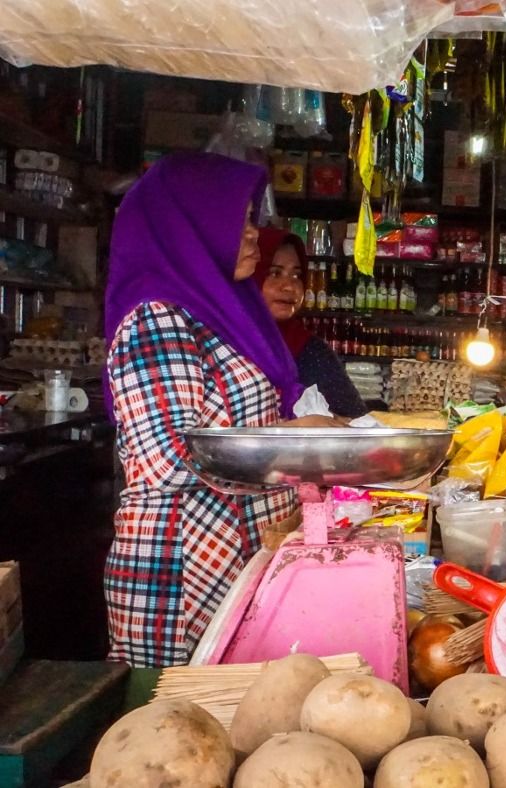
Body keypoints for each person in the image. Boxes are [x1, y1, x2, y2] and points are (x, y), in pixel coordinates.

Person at [104, 152, 333, 667]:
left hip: (236, 550)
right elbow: (171, 457)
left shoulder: (220, 315)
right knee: (175, 731)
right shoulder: (156, 320)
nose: (254, 234)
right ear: (192, 225)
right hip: (182, 571)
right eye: (242, 220)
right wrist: (294, 439)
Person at [255, 228, 369, 418]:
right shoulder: (223, 345)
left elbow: (357, 423)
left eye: (297, 275)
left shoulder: (310, 351)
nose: (289, 286)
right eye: (275, 273)